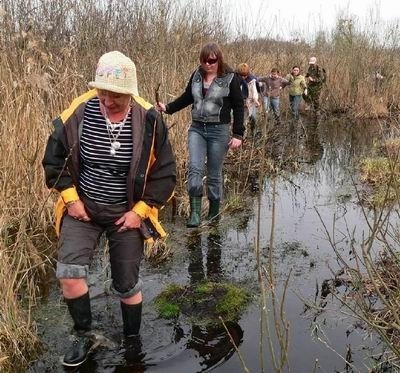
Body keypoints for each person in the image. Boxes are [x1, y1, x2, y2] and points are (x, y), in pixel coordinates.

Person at [42, 51, 176, 367]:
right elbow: (54, 159)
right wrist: (72, 200)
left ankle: (132, 342)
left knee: (126, 285)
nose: (107, 100)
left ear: (130, 93)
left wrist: (140, 211)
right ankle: (86, 335)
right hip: (82, 211)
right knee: (70, 273)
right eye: (102, 92)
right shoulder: (78, 112)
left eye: (115, 95)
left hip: (126, 214)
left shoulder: (149, 120)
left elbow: (166, 173)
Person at [156, 42, 244, 228]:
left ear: (219, 59)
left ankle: (213, 214)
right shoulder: (196, 75)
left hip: (219, 130)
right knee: (195, 168)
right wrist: (168, 108)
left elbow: (238, 106)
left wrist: (238, 134)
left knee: (213, 173)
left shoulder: (230, 78)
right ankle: (195, 214)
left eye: (211, 61)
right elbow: (188, 97)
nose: (207, 64)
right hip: (197, 129)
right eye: (204, 61)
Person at [236, 63, 260, 136]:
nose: (243, 77)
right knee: (243, 120)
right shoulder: (235, 79)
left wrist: (256, 100)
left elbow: (254, 91)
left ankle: (253, 132)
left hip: (250, 101)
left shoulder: (252, 80)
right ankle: (243, 136)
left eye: (245, 75)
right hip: (240, 102)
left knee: (253, 118)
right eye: (241, 75)